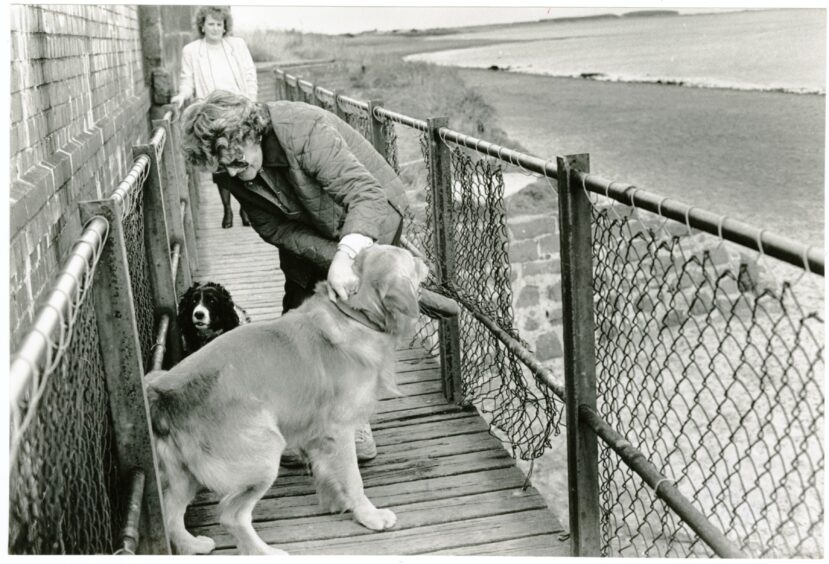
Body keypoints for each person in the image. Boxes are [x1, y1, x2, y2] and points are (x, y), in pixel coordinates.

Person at [180, 90, 411, 463]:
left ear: (250, 133)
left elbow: (366, 196)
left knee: (352, 320)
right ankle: (310, 421)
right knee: (300, 313)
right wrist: (329, 257)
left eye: (239, 163)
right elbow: (273, 227)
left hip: (370, 213)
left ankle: (353, 424)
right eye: (225, 170)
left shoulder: (303, 130)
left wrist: (347, 255)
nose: (235, 175)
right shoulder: (229, 169)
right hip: (303, 223)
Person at [171, 6, 257, 229]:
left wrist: (251, 102)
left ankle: (245, 207)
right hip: (212, 115)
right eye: (211, 24)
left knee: (242, 157)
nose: (216, 28)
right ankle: (227, 209)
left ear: (225, 26)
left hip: (238, 110)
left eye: (219, 24)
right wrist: (181, 96)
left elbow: (249, 74)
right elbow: (187, 80)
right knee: (220, 162)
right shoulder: (191, 51)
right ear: (202, 25)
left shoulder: (236, 46)